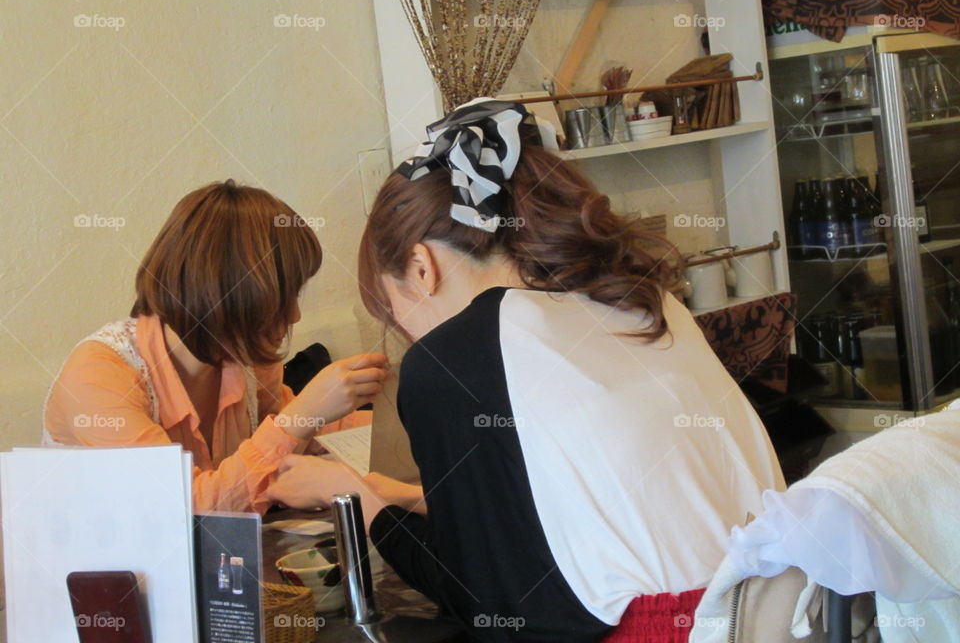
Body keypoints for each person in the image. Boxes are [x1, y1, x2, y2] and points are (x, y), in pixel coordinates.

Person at [267, 100, 785, 642]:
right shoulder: (641, 300)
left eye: (396, 314)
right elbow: (570, 510)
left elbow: (490, 603)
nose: (411, 339)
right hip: (786, 610)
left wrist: (358, 500)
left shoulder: (457, 355)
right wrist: (402, 495)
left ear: (422, 268)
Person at [44, 181, 388, 513]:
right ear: (230, 295)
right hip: (110, 572)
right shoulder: (99, 375)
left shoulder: (244, 359)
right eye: (284, 297)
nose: (294, 314)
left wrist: (401, 419)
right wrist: (301, 417)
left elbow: (304, 437)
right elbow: (185, 511)